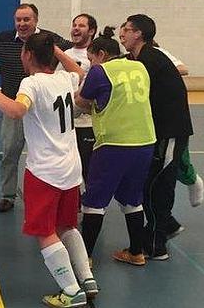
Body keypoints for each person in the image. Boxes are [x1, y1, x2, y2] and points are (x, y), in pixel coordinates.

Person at [0, 33, 97, 308]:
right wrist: (56, 50)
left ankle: (70, 290)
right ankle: (87, 279)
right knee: (66, 225)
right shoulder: (65, 78)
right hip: (70, 166)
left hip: (45, 170)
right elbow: (79, 70)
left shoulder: (31, 83)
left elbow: (16, 111)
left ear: (27, 55)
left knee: (45, 231)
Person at [75, 27, 155, 267]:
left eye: (91, 59)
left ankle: (85, 256)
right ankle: (136, 252)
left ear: (100, 54)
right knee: (132, 199)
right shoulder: (140, 66)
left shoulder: (101, 71)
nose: (90, 64)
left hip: (114, 142)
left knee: (94, 200)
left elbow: (81, 102)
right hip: (144, 140)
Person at [0, 3, 72, 212]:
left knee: (44, 154)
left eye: (26, 19)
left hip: (43, 111)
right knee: (9, 153)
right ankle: (8, 195)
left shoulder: (51, 39)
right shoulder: (3, 39)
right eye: (18, 20)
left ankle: (52, 194)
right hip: (14, 108)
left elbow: (75, 48)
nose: (22, 24)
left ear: (36, 20)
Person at [120, 14, 193, 260]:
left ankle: (155, 245)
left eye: (127, 30)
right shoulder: (140, 58)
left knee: (155, 187)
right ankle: (167, 226)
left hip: (169, 132)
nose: (123, 34)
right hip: (158, 132)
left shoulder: (149, 60)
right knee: (153, 182)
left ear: (138, 34)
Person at [152, 40, 204, 208]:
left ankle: (192, 179)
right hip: (149, 117)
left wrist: (158, 71)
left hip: (171, 117)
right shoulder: (132, 58)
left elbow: (183, 68)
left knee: (176, 160)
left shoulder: (159, 55)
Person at [58, 14, 97, 182]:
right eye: (74, 25)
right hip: (70, 122)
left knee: (90, 167)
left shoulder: (97, 54)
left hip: (90, 122)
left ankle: (92, 205)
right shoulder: (65, 54)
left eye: (81, 25)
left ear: (92, 30)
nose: (75, 28)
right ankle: (75, 201)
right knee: (71, 166)